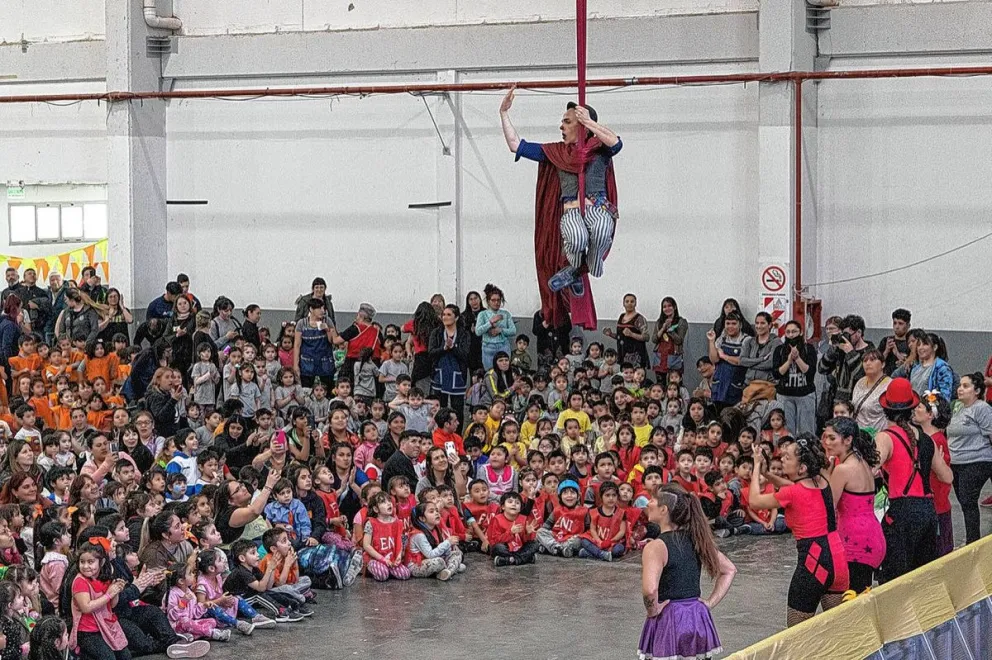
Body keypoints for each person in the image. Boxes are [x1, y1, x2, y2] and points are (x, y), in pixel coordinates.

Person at [501, 90, 620, 308]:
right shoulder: (556, 152)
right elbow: (515, 145)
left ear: (582, 125)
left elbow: (616, 143)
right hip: (572, 210)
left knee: (602, 230)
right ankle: (576, 269)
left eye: (567, 121)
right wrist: (504, 113)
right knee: (576, 238)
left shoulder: (600, 149)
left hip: (598, 208)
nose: (561, 126)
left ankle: (586, 269)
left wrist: (590, 123)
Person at [749, 437, 848, 626]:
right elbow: (796, 487)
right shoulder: (823, 481)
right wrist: (767, 474)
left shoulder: (792, 494)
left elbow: (754, 500)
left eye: (787, 457)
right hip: (838, 558)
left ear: (802, 468)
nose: (782, 459)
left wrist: (756, 467)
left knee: (797, 632)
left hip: (814, 560)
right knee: (838, 630)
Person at [638, 484, 736, 660]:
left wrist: (652, 611)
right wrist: (709, 603)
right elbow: (729, 570)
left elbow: (650, 590)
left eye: (652, 499)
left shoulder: (655, 547)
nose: (648, 503)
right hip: (697, 617)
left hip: (670, 618)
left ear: (663, 510)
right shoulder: (697, 538)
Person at [873, 377, 952, 582]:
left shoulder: (885, 437)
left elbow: (871, 468)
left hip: (902, 511)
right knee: (923, 578)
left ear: (885, 409)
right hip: (927, 511)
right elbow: (947, 476)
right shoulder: (926, 439)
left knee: (894, 578)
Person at [821, 417, 885, 594]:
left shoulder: (843, 469)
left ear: (848, 440)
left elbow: (828, 506)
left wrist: (826, 473)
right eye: (825, 437)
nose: (827, 442)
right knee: (862, 596)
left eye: (832, 438)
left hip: (855, 541)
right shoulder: (863, 463)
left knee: (852, 602)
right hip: (872, 536)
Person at [946, 373, 992, 544]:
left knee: (968, 500)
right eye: (960, 385)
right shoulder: (958, 407)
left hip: (977, 460)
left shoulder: (982, 408)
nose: (960, 389)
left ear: (977, 391)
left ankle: (973, 541)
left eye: (966, 386)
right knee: (965, 502)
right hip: (956, 462)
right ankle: (972, 540)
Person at [772, 320, 818, 436]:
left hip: (805, 394)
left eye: (794, 331)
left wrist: (797, 358)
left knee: (806, 430)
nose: (791, 335)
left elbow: (809, 372)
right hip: (785, 395)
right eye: (788, 332)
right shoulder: (779, 350)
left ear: (801, 332)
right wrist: (788, 361)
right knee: (787, 431)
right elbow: (776, 374)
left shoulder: (809, 349)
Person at [428, 304, 469, 424]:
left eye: (449, 314)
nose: (445, 317)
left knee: (457, 410)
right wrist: (444, 348)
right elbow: (431, 353)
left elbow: (465, 355)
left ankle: (457, 436)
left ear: (456, 318)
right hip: (439, 374)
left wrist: (453, 347)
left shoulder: (463, 334)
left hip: (457, 375)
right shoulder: (436, 333)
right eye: (443, 314)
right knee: (440, 408)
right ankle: (440, 434)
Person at [893, 329, 954, 401]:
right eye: (919, 345)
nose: (920, 348)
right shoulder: (915, 368)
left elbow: (945, 396)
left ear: (935, 347)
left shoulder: (942, 368)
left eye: (925, 344)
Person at [293, 299, 339, 389]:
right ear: (311, 309)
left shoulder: (327, 321)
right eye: (319, 308)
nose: (322, 311)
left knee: (328, 389)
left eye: (323, 308)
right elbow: (297, 345)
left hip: (325, 363)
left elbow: (333, 341)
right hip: (307, 363)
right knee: (306, 389)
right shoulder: (301, 323)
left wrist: (327, 330)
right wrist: (295, 365)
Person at [706, 311, 747, 410]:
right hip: (719, 384)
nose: (730, 326)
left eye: (734, 323)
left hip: (735, 385)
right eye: (728, 323)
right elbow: (714, 359)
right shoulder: (721, 339)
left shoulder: (746, 340)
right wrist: (711, 341)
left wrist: (724, 356)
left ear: (740, 325)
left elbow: (741, 361)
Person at [474, 284, 516, 371]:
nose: (496, 303)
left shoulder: (506, 314)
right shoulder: (483, 314)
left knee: (504, 372)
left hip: (503, 345)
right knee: (490, 373)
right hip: (488, 346)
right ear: (488, 301)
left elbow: (513, 331)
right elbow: (478, 331)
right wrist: (490, 322)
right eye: (493, 300)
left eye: (498, 300)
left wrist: (500, 330)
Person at [603, 294, 649, 370]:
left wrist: (632, 334)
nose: (629, 304)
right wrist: (611, 334)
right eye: (627, 301)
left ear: (635, 303)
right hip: (622, 355)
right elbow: (620, 337)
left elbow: (646, 337)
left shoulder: (639, 318)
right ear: (623, 303)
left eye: (632, 301)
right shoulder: (621, 316)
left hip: (636, 358)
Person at [850, 349, 890, 432]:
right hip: (858, 434)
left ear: (883, 364)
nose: (868, 363)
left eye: (872, 360)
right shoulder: (859, 382)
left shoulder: (889, 385)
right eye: (865, 361)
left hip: (878, 435)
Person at [652, 296, 687, 377]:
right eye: (664, 307)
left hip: (674, 356)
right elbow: (654, 339)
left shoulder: (681, 322)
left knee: (674, 384)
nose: (667, 308)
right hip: (660, 357)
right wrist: (663, 328)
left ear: (674, 307)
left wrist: (670, 329)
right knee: (660, 384)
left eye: (669, 306)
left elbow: (679, 340)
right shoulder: (659, 322)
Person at [879, 308, 911, 376]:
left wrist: (897, 354)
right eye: (895, 323)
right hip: (885, 379)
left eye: (900, 323)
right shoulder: (885, 340)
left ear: (908, 326)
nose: (897, 326)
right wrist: (886, 351)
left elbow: (911, 365)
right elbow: (877, 363)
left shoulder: (910, 343)